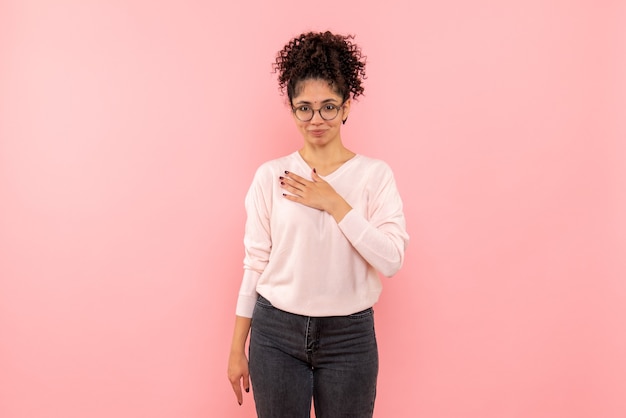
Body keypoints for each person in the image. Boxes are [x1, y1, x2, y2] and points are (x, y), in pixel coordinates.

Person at [227, 31, 409, 418]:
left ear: (346, 107)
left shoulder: (374, 176)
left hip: (350, 338)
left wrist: (335, 203)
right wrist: (235, 349)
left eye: (328, 107)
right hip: (275, 333)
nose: (316, 119)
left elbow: (392, 260)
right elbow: (254, 264)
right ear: (292, 111)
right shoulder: (270, 176)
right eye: (304, 108)